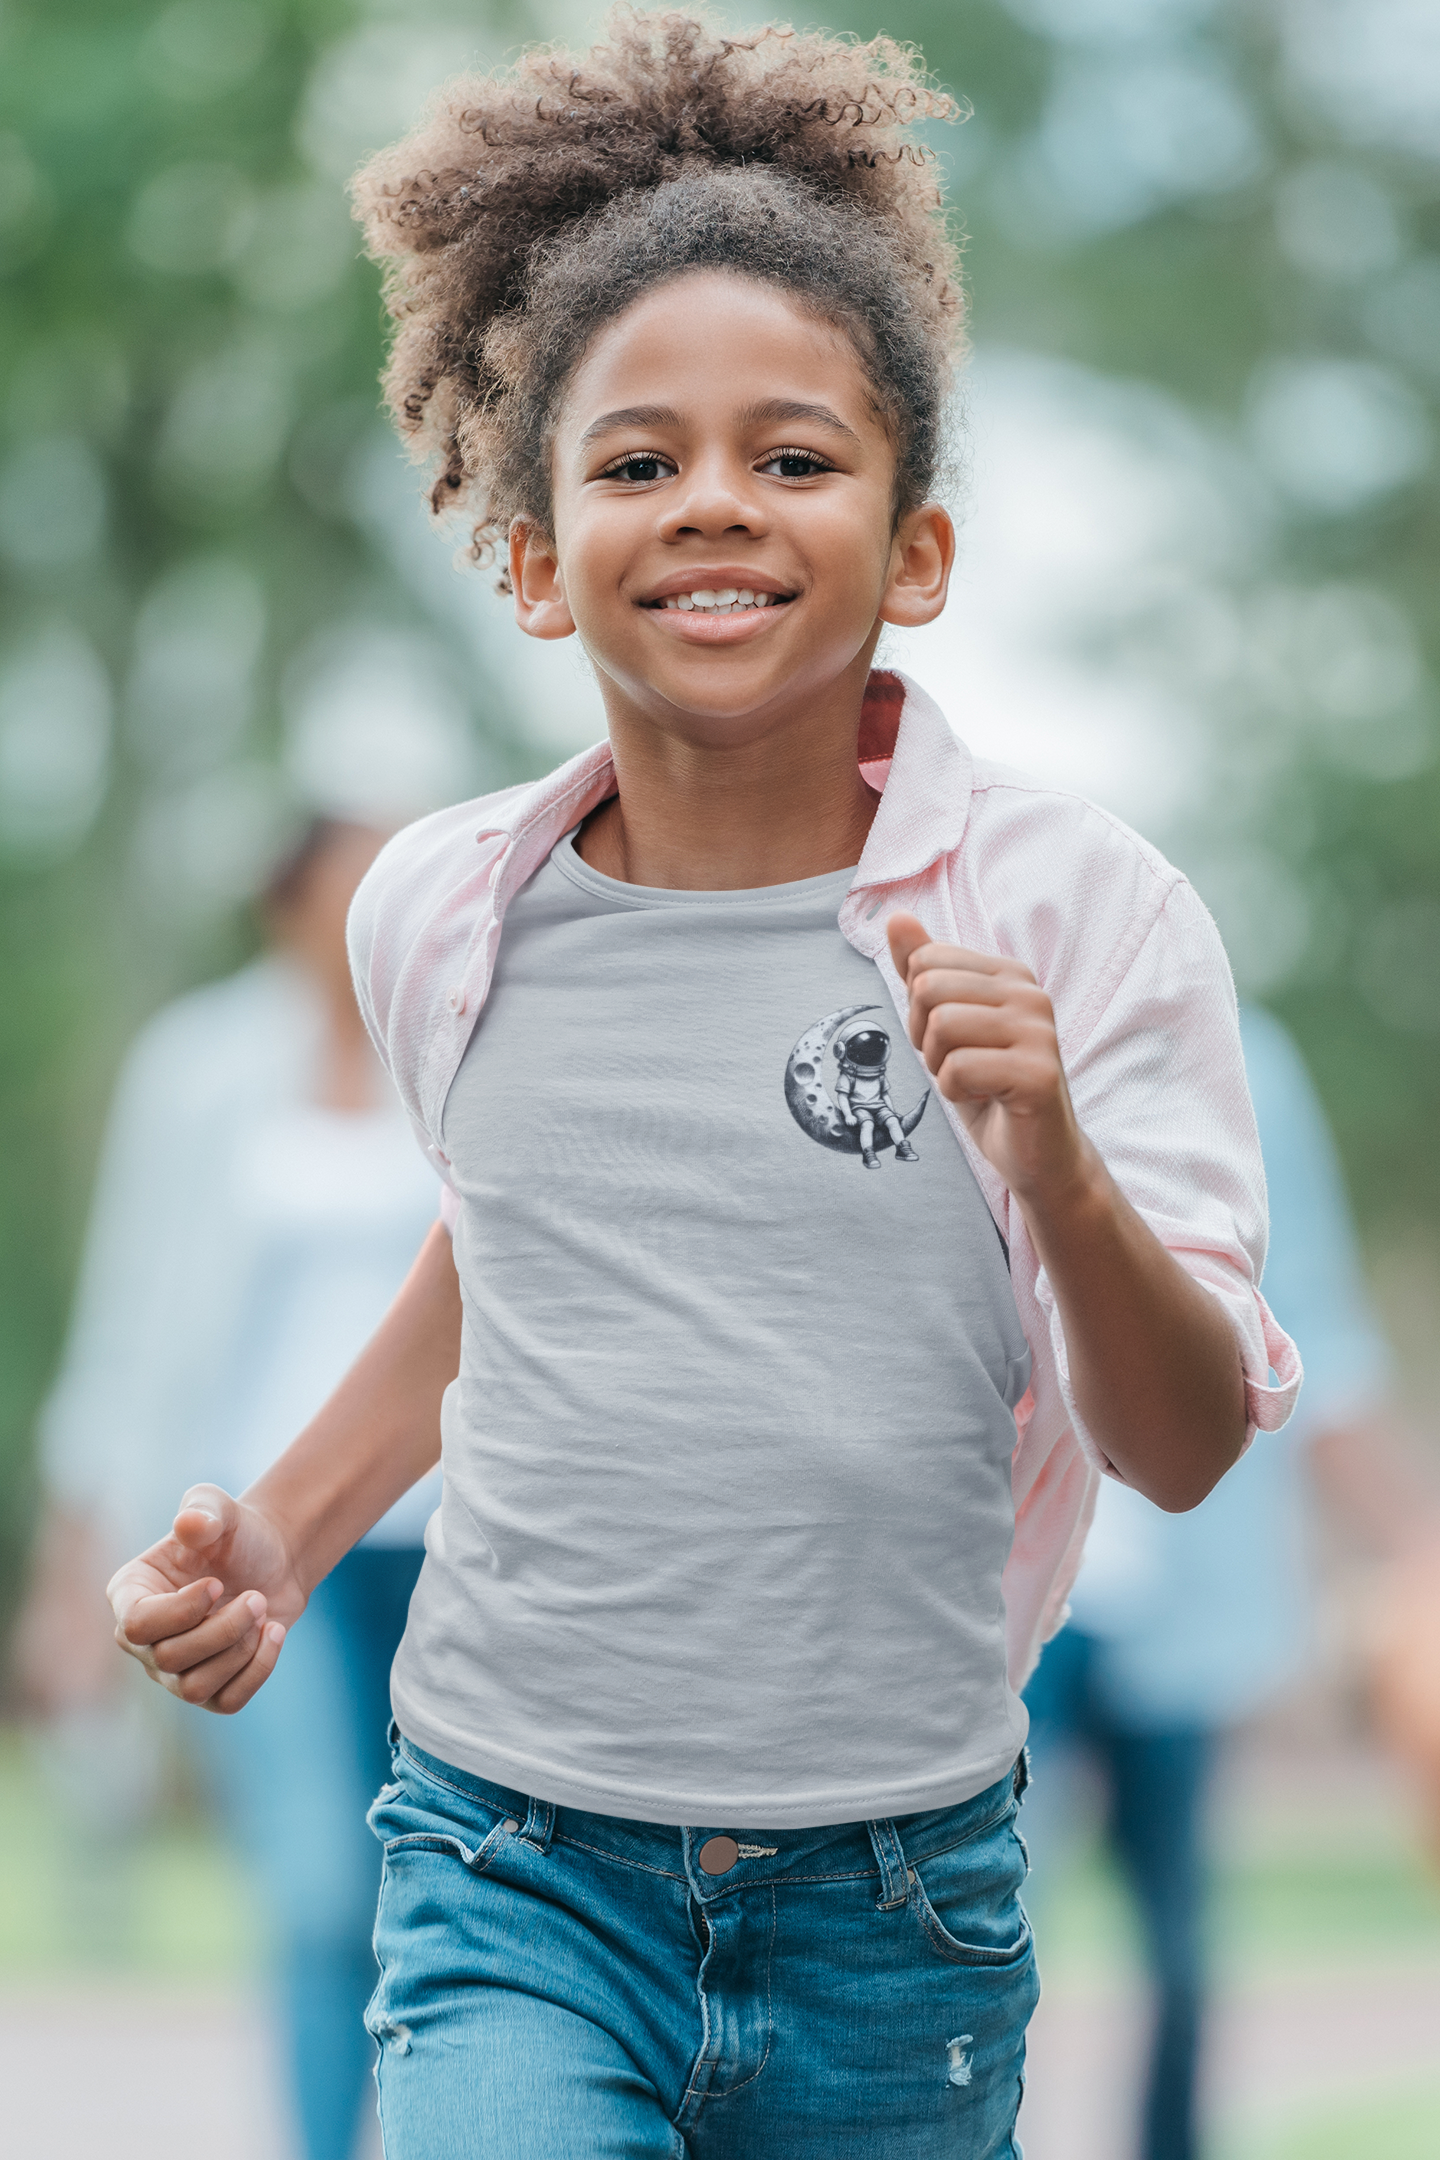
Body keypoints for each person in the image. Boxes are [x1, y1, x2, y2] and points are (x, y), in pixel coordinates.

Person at [96, 14, 1300, 2156]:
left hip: (897, 1898)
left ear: (915, 549)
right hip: (510, 1856)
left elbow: (1183, 1445)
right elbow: (514, 1252)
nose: (714, 503)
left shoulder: (1087, 919)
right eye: (637, 462)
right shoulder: (442, 914)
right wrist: (282, 1527)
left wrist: (1056, 1165)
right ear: (536, 552)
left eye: (797, 456)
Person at [14, 817, 442, 2160]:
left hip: (454, 1542)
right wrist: (68, 1574)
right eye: (355, 879)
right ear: (291, 903)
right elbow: (129, 1322)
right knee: (322, 1883)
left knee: (448, 1887)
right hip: (264, 1545)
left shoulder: (464, 1042)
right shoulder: (201, 1069)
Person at [1020, 1003, 1440, 2160]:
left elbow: (1315, 1331)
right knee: (989, 1924)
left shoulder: (1246, 1063)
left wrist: (1415, 1541)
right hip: (1015, 1596)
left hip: (1178, 1589)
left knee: (1181, 1942)